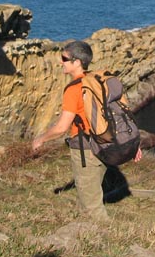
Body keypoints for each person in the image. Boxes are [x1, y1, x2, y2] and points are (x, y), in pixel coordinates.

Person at [31, 40, 141, 222]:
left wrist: (41, 139)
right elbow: (123, 113)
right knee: (93, 193)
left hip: (85, 150)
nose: (61, 62)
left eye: (64, 58)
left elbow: (61, 128)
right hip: (106, 146)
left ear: (77, 62)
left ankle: (110, 239)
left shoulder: (74, 89)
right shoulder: (101, 79)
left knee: (91, 207)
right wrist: (133, 143)